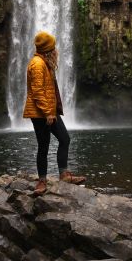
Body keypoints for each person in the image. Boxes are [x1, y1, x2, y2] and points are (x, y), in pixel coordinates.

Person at [23, 30, 86, 195]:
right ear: (48, 49)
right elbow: (37, 91)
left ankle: (63, 174)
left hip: (49, 110)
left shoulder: (44, 62)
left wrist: (51, 111)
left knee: (64, 138)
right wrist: (47, 113)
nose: (56, 50)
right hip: (41, 114)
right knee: (43, 146)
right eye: (54, 47)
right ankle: (42, 182)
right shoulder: (37, 64)